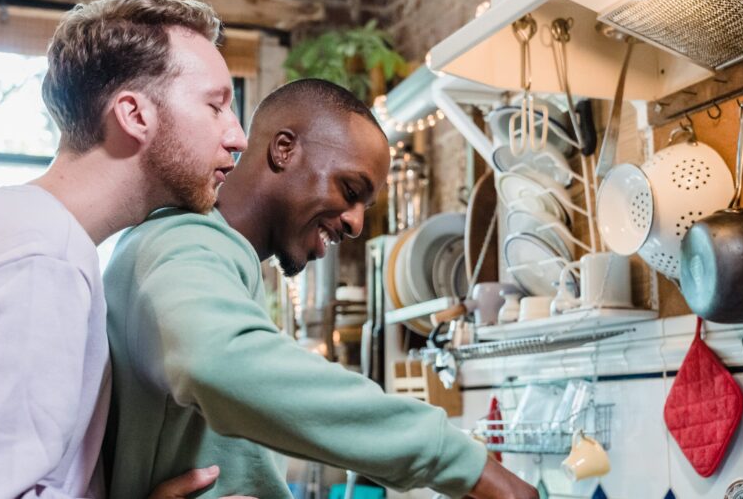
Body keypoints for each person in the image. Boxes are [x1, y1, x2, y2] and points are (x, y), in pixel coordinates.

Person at [0, 0, 247, 498]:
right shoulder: (40, 266)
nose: (238, 137)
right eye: (215, 106)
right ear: (134, 115)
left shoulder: (17, 231)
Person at [103, 79, 537, 499]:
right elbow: (215, 361)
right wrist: (462, 463)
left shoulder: (221, 260)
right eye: (350, 190)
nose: (356, 223)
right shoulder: (181, 240)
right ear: (284, 149)